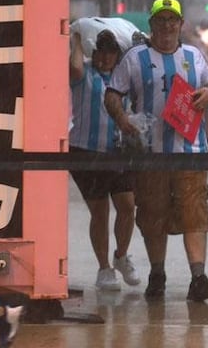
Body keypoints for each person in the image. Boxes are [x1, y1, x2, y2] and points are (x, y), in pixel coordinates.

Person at [105, 0, 208, 302]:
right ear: (151, 24)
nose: (167, 25)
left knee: (194, 211)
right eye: (161, 20)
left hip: (191, 151)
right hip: (150, 154)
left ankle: (199, 278)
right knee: (153, 214)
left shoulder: (195, 56)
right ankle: (157, 273)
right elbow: (113, 94)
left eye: (173, 20)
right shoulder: (134, 59)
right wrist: (123, 118)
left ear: (181, 24)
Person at [69, 28, 140, 291]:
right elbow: (74, 68)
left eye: (111, 52)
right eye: (101, 51)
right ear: (94, 51)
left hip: (117, 151)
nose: (105, 58)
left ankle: (121, 256)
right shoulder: (83, 73)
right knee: (99, 211)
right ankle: (104, 268)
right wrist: (77, 38)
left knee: (127, 205)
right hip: (85, 152)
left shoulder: (124, 79)